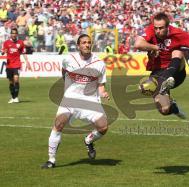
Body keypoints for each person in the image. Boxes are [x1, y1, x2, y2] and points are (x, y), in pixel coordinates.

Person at [42, 34, 109, 169]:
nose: (87, 45)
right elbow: (64, 71)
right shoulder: (68, 59)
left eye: (89, 42)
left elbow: (101, 83)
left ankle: (88, 140)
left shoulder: (99, 63)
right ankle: (51, 160)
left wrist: (103, 92)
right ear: (78, 45)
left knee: (103, 127)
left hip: (89, 100)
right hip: (70, 98)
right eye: (83, 43)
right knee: (58, 124)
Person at [1, 28, 26, 103]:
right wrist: (3, 52)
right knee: (11, 82)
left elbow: (23, 52)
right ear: (11, 34)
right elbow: (3, 52)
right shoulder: (6, 43)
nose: (14, 34)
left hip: (17, 64)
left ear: (17, 34)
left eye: (15, 33)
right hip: (9, 65)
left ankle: (16, 97)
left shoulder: (21, 43)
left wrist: (27, 61)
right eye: (12, 33)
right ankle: (13, 97)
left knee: (16, 79)